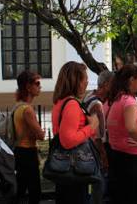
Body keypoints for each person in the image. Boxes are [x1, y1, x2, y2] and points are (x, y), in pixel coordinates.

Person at [52, 61, 99, 204]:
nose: (87, 82)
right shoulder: (72, 104)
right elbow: (68, 140)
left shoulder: (61, 102)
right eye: (85, 78)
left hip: (65, 167)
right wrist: (91, 127)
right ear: (76, 81)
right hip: (74, 168)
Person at [106, 64, 137, 204]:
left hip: (118, 154)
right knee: (134, 196)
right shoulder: (129, 101)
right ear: (131, 80)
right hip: (132, 158)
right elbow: (131, 127)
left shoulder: (115, 100)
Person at [82, 70, 114, 204]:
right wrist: (103, 156)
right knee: (99, 187)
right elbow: (97, 136)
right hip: (94, 151)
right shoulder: (97, 104)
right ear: (106, 85)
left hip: (88, 148)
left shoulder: (89, 96)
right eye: (113, 85)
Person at [13, 70, 45, 204]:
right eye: (37, 83)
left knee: (21, 188)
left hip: (19, 151)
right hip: (27, 153)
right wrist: (39, 131)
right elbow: (41, 135)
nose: (40, 86)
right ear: (28, 86)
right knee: (34, 191)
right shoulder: (27, 109)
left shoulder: (18, 106)